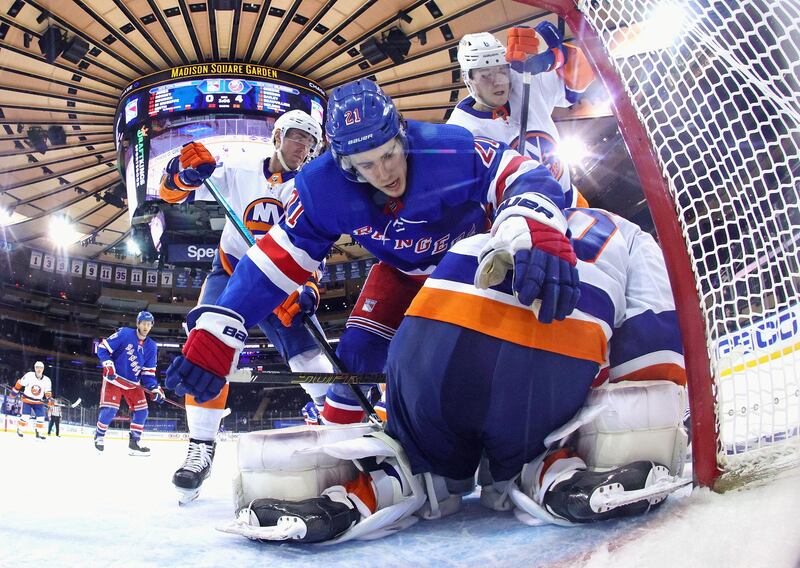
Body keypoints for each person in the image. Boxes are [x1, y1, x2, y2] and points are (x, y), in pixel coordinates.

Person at [223, 208, 689, 542]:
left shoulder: (458, 214)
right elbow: (655, 343)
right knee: (641, 408)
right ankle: (548, 469)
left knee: (420, 463)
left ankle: (376, 484)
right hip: (548, 352)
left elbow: (362, 344)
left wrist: (351, 426)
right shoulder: (624, 233)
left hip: (433, 332)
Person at [165, 78, 580, 429]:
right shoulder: (318, 188)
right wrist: (220, 328)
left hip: (470, 267)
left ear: (402, 134)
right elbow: (275, 259)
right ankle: (341, 451)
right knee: (354, 357)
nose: (384, 173)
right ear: (343, 164)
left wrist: (534, 223)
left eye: (388, 153)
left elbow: (523, 173)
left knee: (479, 354)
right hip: (398, 272)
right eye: (367, 164)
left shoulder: (448, 149)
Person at [159, 109, 333, 503]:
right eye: (296, 137)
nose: (302, 147)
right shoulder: (237, 166)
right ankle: (200, 447)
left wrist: (308, 290)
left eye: (309, 141)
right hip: (231, 270)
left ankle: (337, 424)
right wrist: (182, 172)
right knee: (206, 349)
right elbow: (172, 193)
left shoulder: (312, 188)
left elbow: (317, 250)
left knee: (312, 359)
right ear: (277, 136)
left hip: (282, 280)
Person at [448, 24, 595, 207]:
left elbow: (581, 80)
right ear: (468, 79)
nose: (498, 81)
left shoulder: (524, 77)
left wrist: (557, 56)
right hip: (523, 222)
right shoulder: (460, 131)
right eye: (486, 75)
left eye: (502, 70)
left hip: (571, 203)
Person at [94, 311, 164, 455]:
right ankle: (99, 435)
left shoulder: (152, 346)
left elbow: (148, 373)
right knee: (110, 411)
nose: (146, 326)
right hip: (114, 379)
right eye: (143, 323)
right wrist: (108, 364)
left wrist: (155, 389)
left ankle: (134, 442)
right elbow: (102, 348)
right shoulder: (125, 334)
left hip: (133, 384)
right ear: (138, 323)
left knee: (142, 411)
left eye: (149, 324)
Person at [11, 361, 52, 440]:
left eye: (40, 368)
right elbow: (20, 383)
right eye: (37, 367)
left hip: (38, 402)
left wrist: (49, 399)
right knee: (26, 416)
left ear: (43, 369)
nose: (38, 369)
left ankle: (39, 432)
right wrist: (14, 392)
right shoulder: (29, 375)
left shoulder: (47, 380)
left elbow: (47, 392)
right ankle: (20, 429)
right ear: (34, 368)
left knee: (41, 417)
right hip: (27, 400)